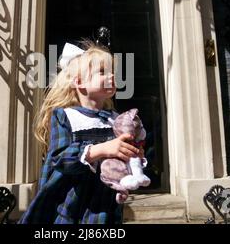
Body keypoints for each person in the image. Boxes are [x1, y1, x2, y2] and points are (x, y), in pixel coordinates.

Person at [18, 40, 141, 224]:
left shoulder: (116, 119)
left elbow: (122, 154)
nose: (111, 76)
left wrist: (133, 155)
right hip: (71, 204)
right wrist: (101, 149)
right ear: (79, 82)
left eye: (112, 72)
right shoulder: (65, 116)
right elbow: (59, 157)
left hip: (105, 204)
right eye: (102, 72)